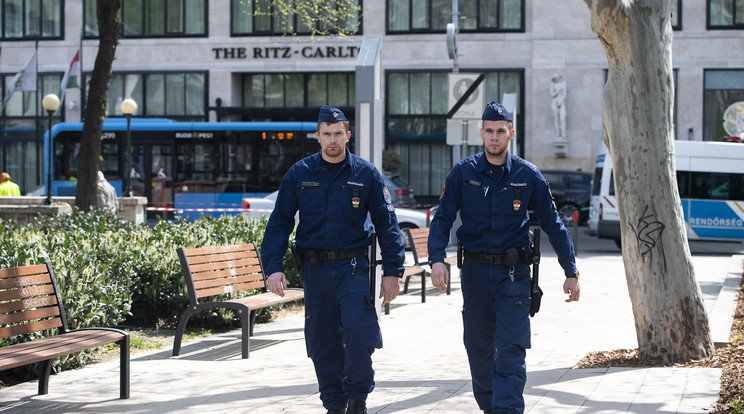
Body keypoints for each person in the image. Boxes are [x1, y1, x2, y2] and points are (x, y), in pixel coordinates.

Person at [427, 101, 581, 414]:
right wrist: (437, 259)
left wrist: (571, 271)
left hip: (514, 276)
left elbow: (553, 223)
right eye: (489, 131)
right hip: (474, 274)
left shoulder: (528, 176)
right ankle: (491, 407)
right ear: (481, 133)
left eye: (501, 131)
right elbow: (442, 218)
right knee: (478, 349)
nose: (495, 137)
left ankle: (508, 410)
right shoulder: (463, 173)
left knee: (511, 349)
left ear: (510, 133)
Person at [261, 105, 405, 414]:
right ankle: (334, 405)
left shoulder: (365, 174)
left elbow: (387, 225)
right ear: (318, 136)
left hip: (353, 267)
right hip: (315, 271)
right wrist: (272, 268)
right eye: (326, 134)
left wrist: (393, 271)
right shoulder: (300, 173)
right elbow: (279, 223)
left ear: (348, 135)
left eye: (338, 134)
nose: (333, 140)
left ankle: (357, 398)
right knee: (322, 340)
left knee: (358, 330)